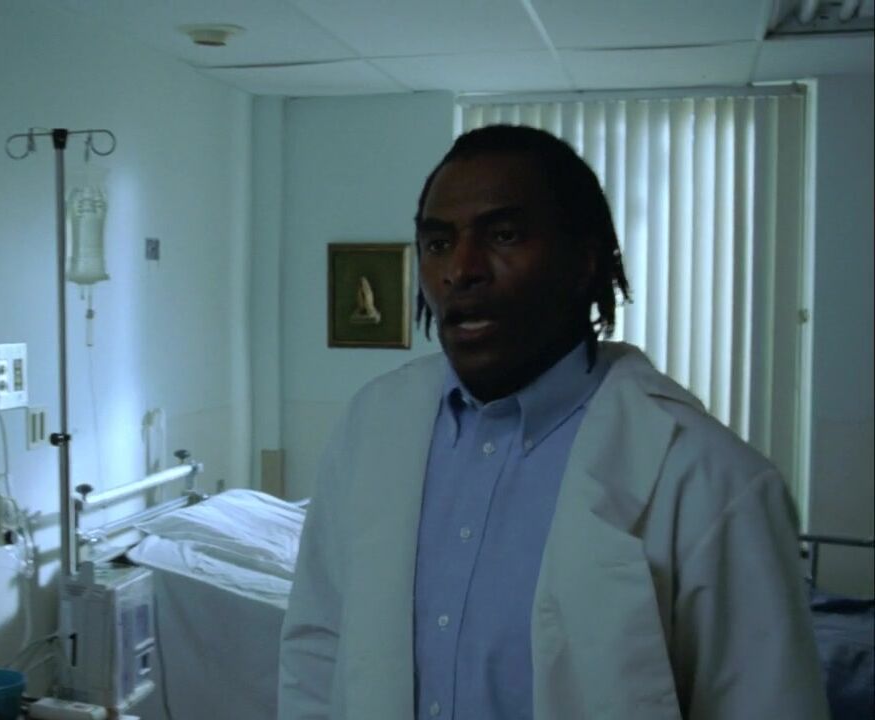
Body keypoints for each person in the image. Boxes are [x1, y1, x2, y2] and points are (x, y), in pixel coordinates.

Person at [277, 125, 828, 720]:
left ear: (583, 260)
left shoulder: (711, 479)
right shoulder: (370, 427)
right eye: (438, 243)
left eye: (504, 235)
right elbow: (317, 650)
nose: (461, 269)